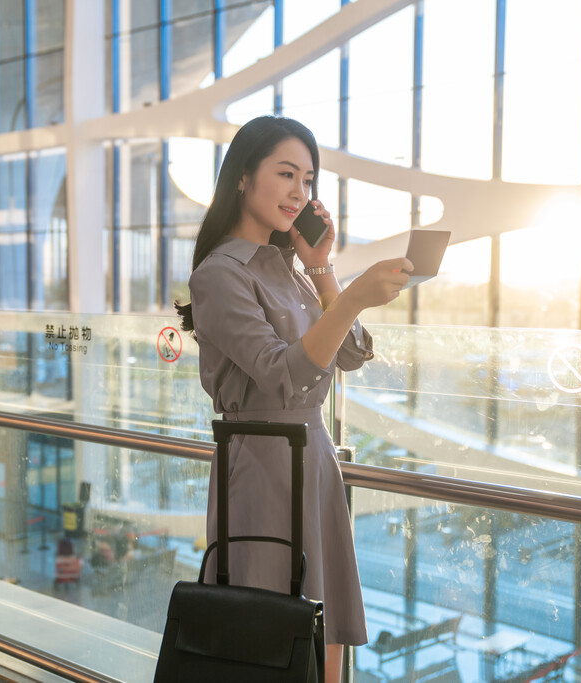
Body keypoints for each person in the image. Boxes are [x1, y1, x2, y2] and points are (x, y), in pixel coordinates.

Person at [175, 114, 413, 682]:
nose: (298, 193)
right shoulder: (220, 274)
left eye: (307, 181)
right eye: (286, 174)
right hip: (261, 464)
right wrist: (353, 297)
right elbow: (286, 373)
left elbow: (351, 354)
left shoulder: (292, 269)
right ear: (241, 177)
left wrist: (325, 270)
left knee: (323, 624)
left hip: (312, 455)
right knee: (266, 627)